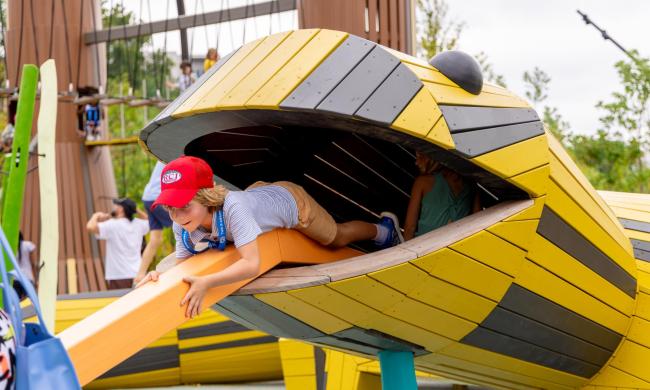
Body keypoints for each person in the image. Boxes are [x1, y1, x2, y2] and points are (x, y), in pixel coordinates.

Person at [136, 156, 402, 318]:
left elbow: (251, 263)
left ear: (206, 198)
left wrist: (208, 282)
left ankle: (383, 230)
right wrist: (158, 276)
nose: (178, 215)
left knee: (336, 237)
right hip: (257, 197)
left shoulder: (232, 208)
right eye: (171, 207)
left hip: (291, 202)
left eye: (185, 205)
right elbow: (183, 265)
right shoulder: (183, 223)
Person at [403, 152, 481, 240]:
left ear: (432, 157)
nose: (416, 162)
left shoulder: (422, 182)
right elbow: (478, 223)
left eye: (420, 156)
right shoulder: (472, 185)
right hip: (457, 248)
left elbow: (410, 228)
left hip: (425, 248)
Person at [86, 198, 150, 289]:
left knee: (121, 302)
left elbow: (90, 227)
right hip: (138, 273)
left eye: (117, 206)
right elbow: (150, 220)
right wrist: (137, 210)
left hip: (119, 275)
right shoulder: (139, 224)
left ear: (121, 209)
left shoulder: (112, 225)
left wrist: (95, 216)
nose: (115, 207)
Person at [135, 161, 174, 285]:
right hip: (159, 197)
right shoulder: (175, 151)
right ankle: (180, 267)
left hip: (148, 197)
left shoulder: (162, 152)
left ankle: (140, 275)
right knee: (185, 225)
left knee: (155, 240)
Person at [13, 232, 36, 300]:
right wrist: (35, 278)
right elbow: (33, 263)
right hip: (27, 277)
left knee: (17, 302)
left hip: (15, 278)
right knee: (30, 301)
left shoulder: (12, 247)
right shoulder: (28, 245)